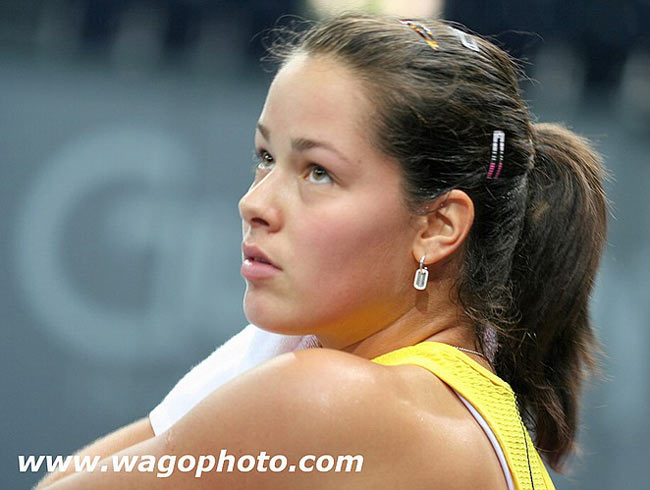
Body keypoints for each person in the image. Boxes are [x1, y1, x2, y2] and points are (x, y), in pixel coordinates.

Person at [36, 12, 609, 490]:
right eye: (266, 157)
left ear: (437, 226)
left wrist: (272, 350)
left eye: (318, 172)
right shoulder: (460, 410)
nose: (255, 204)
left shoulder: (328, 398)